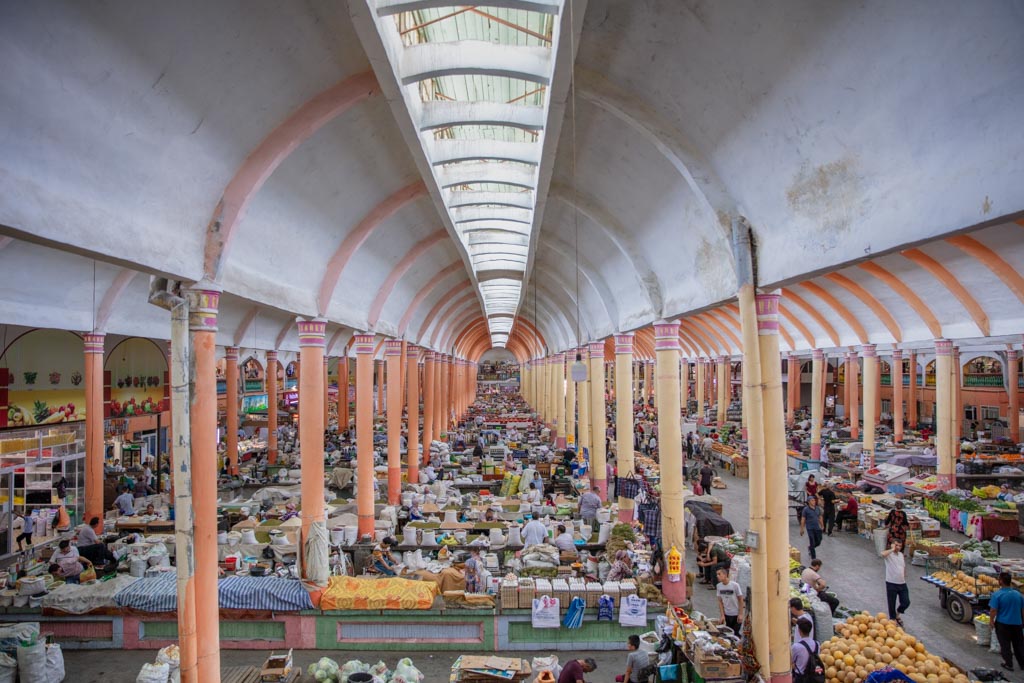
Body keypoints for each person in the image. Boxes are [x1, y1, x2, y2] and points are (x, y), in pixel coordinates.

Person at [990, 571, 1024, 671]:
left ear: (1000, 581)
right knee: (1019, 645)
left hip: (1003, 624)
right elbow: (1022, 610)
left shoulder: (997, 595)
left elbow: (993, 610)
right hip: (1017, 624)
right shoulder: (1018, 595)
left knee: (1005, 645)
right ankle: (1022, 664)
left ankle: (1009, 664)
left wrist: (991, 621)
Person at [881, 540, 909, 626]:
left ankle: (897, 614)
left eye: (900, 546)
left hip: (902, 583)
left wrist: (904, 574)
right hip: (891, 582)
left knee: (906, 602)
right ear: (893, 545)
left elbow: (903, 566)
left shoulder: (901, 555)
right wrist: (892, 549)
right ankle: (892, 619)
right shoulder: (889, 554)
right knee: (891, 602)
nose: (898, 547)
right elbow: (882, 554)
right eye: (896, 545)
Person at [791, 617, 821, 683]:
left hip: (800, 678)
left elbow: (791, 662)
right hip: (813, 677)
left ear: (799, 630)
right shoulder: (817, 644)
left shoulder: (796, 646)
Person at [716, 566, 745, 633]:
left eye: (719, 574)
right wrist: (722, 615)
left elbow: (741, 599)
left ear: (725, 575)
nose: (717, 576)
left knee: (735, 633)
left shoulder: (735, 585)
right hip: (727, 614)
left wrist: (740, 614)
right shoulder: (719, 586)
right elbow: (720, 601)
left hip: (735, 614)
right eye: (717, 574)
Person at [799, 495, 823, 560]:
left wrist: (822, 525)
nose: (814, 501)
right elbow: (803, 519)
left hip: (817, 528)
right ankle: (813, 558)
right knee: (812, 541)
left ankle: (810, 548)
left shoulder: (817, 508)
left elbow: (820, 517)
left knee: (818, 541)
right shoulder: (805, 509)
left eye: (814, 500)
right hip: (810, 528)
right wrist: (802, 529)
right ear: (809, 502)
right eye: (812, 500)